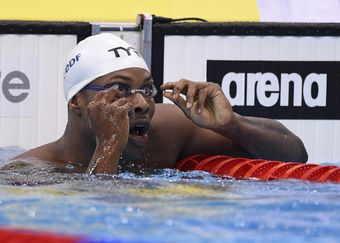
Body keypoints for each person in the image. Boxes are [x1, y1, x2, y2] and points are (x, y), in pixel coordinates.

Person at [2, 33, 307, 174]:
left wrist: (233, 126)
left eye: (147, 89)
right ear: (77, 102)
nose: (141, 103)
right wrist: (110, 145)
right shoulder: (29, 172)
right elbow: (93, 220)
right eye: (119, 90)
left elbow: (295, 155)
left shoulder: (166, 129)